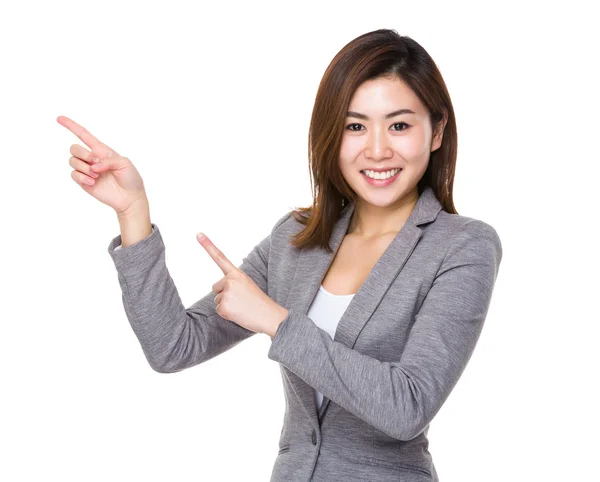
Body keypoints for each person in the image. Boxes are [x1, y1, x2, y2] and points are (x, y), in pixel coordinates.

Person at [58, 28, 502, 482]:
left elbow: (408, 406)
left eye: (399, 125)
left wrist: (276, 321)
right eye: (355, 126)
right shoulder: (298, 238)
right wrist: (134, 213)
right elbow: (173, 347)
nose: (376, 149)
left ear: (436, 131)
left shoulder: (463, 246)